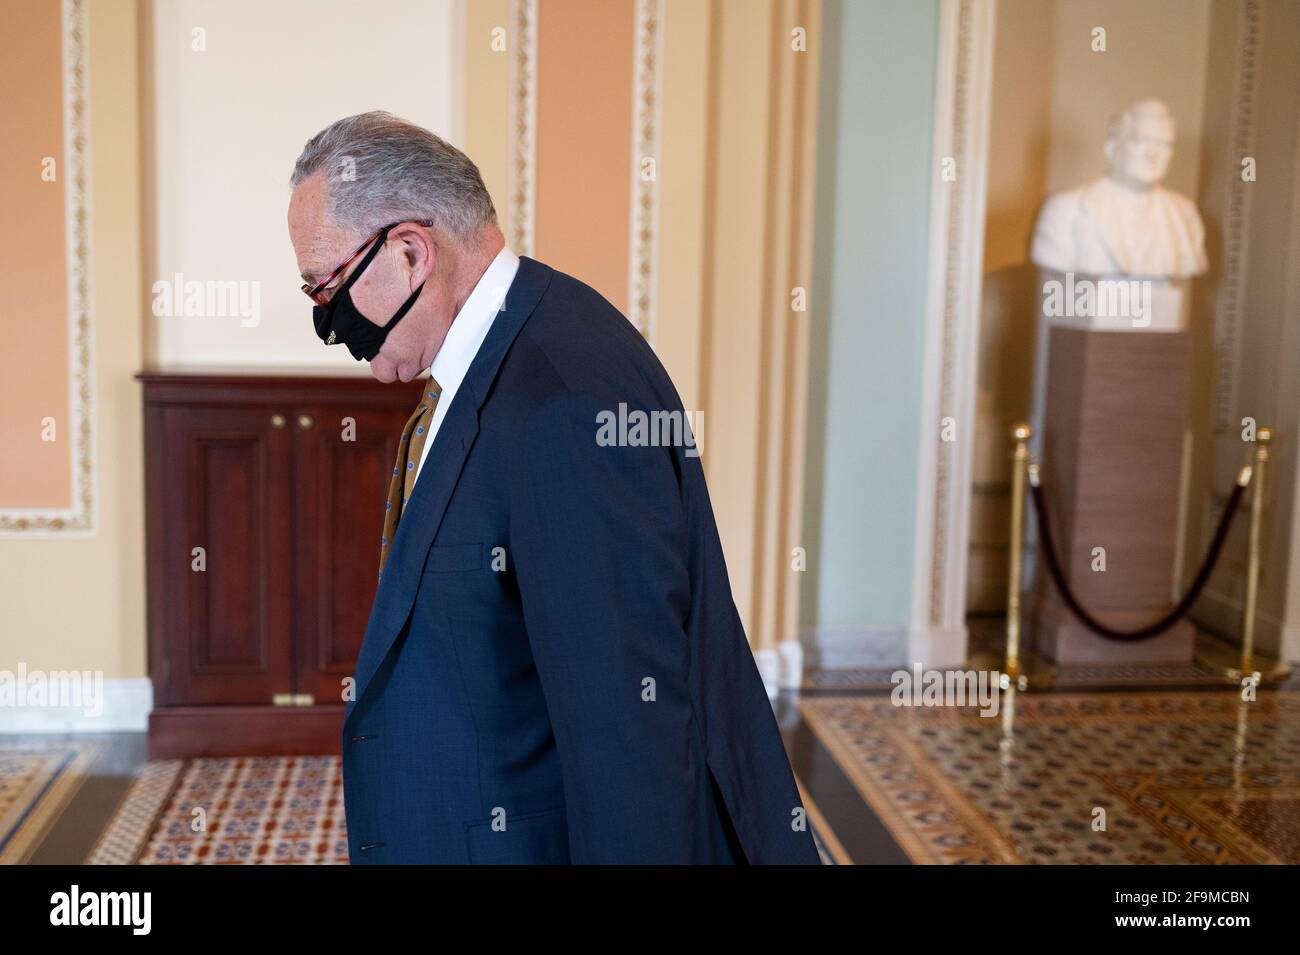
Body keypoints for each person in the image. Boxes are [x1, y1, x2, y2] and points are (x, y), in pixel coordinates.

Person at [286, 111, 820, 864]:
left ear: (409, 253)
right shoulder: (491, 363)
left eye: (329, 291)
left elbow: (628, 734)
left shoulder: (566, 400)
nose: (332, 328)